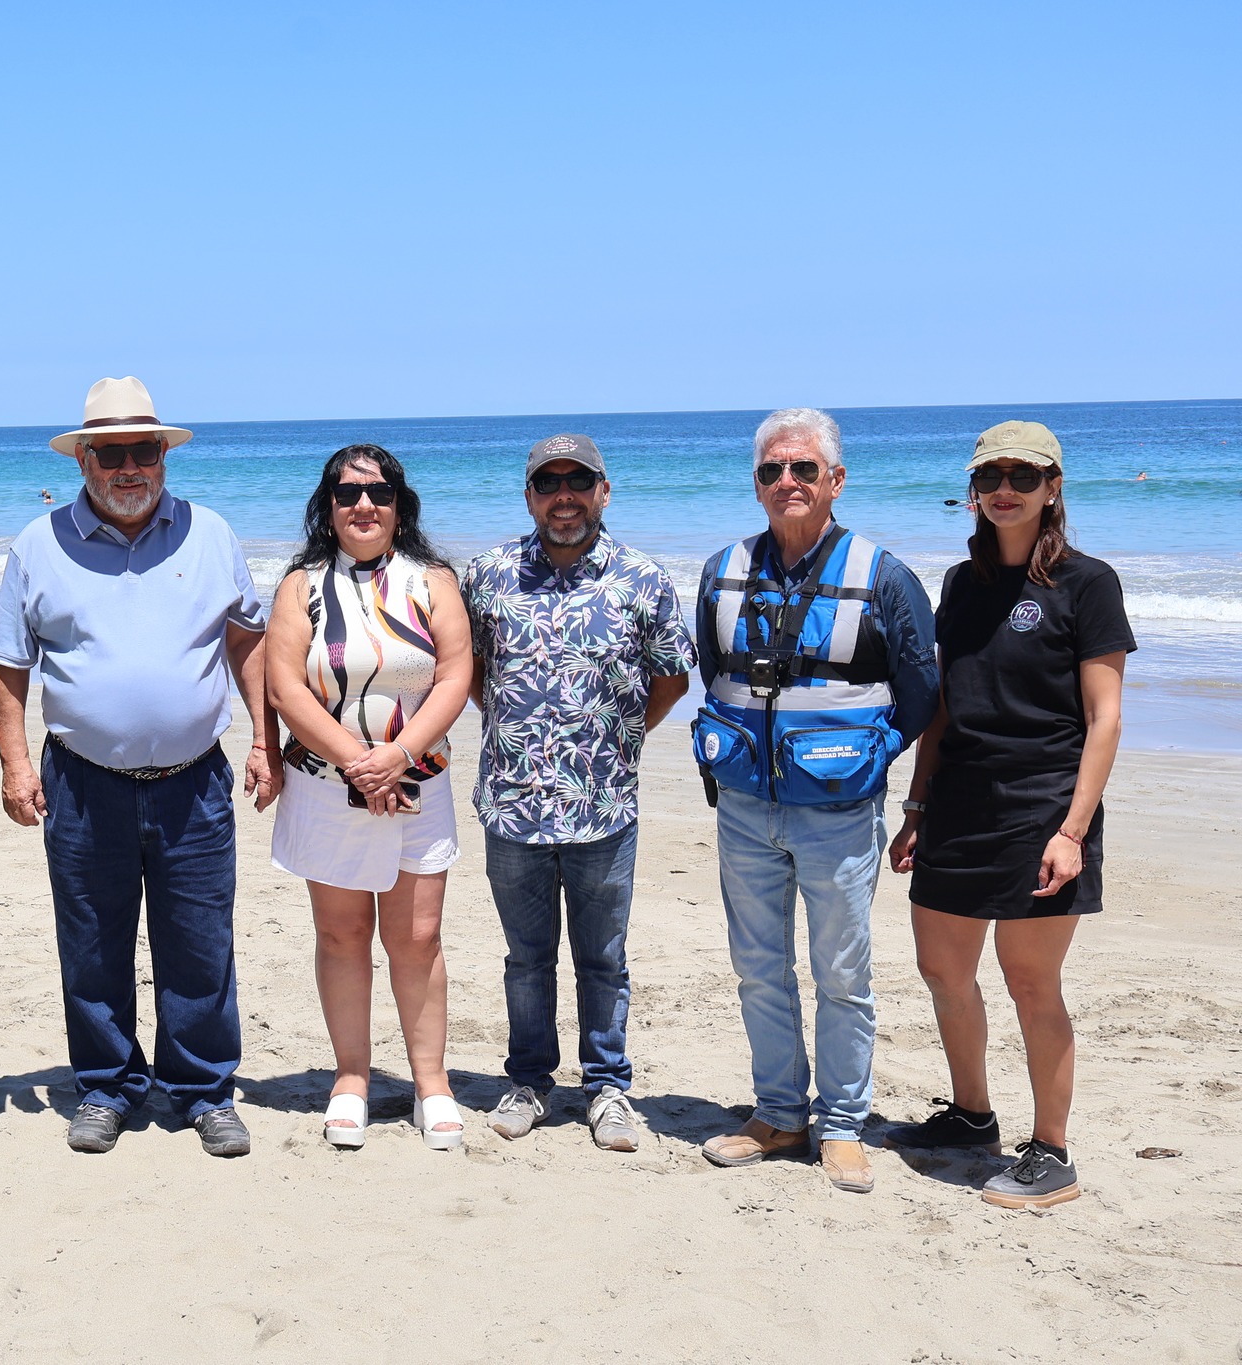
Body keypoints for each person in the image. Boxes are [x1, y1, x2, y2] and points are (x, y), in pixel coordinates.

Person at [0, 376, 279, 1158]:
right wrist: (17, 766)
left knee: (200, 945)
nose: (128, 466)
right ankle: (106, 1086)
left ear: (163, 454)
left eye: (142, 449)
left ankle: (202, 1089)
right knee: (91, 945)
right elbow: (9, 668)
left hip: (195, 782)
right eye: (109, 451)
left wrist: (264, 740)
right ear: (82, 458)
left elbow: (247, 640)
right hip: (81, 783)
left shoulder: (211, 533)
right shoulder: (36, 543)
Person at [886, 421, 1132, 1209]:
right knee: (943, 969)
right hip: (958, 801)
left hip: (1043, 808)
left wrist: (1071, 831)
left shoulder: (1089, 583)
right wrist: (917, 805)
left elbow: (1105, 718)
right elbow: (944, 708)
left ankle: (1052, 1150)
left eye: (1024, 476)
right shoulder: (960, 584)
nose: (1005, 490)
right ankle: (970, 1117)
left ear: (1053, 488)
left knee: (1031, 982)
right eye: (991, 475)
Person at [692, 408, 938, 1193]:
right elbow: (713, 670)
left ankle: (841, 1124)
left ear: (835, 480)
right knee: (758, 969)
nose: (787, 483)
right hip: (743, 810)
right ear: (757, 483)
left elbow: (922, 694)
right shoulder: (722, 569)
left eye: (803, 469)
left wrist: (859, 761)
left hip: (839, 814)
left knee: (841, 973)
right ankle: (777, 1114)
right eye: (772, 471)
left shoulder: (883, 575)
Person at [460, 434, 697, 1152]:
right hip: (513, 804)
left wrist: (620, 738)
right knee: (526, 958)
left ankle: (607, 1087)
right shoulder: (489, 574)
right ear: (529, 494)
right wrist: (511, 725)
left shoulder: (642, 578)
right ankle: (530, 1079)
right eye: (548, 482)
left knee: (604, 957)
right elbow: (465, 669)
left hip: (604, 807)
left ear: (603, 490)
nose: (563, 495)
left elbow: (672, 678)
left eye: (578, 481)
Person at [265, 445, 473, 1150]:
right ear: (328, 504)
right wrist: (357, 760)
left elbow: (454, 673)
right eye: (349, 492)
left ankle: (431, 1083)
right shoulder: (301, 587)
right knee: (342, 934)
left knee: (416, 938)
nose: (364, 505)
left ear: (399, 505)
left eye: (379, 493)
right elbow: (285, 684)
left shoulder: (434, 580)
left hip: (419, 784)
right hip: (328, 786)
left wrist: (398, 755)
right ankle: (351, 1076)